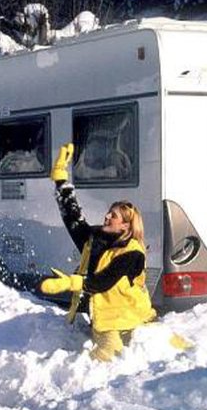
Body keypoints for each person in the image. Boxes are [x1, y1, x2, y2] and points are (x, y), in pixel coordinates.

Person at [39, 143, 156, 361]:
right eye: (108, 213)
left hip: (134, 318)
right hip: (106, 322)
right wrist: (60, 180)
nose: (106, 217)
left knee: (163, 351)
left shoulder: (133, 252)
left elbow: (103, 281)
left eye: (113, 216)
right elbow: (74, 219)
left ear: (126, 227)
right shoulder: (95, 240)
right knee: (107, 358)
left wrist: (70, 283)